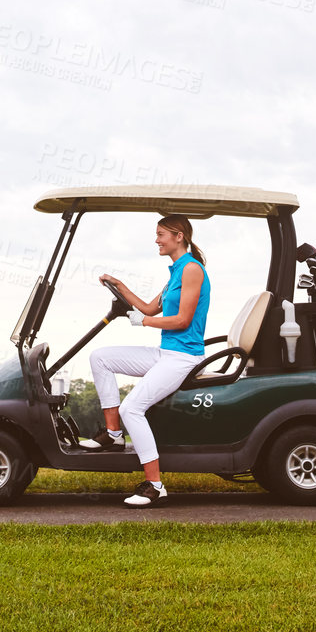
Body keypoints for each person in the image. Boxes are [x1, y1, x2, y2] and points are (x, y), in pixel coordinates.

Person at [86, 214, 210, 508]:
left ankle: (155, 485)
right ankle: (113, 434)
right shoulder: (176, 272)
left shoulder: (192, 270)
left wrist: (143, 323)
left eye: (161, 234)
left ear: (179, 236)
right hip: (166, 353)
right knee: (100, 357)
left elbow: (181, 320)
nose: (156, 240)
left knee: (133, 408)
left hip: (184, 357)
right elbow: (148, 308)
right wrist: (120, 285)